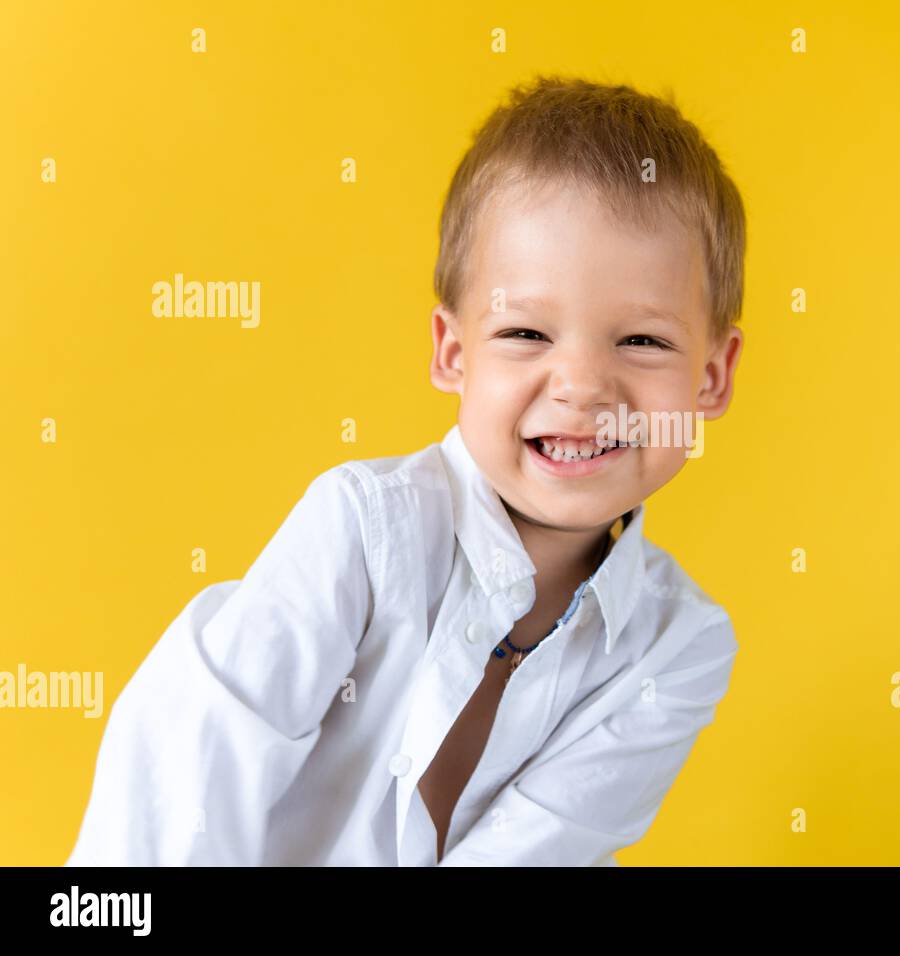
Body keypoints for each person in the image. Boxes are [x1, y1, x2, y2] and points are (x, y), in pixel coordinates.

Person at [65, 73, 746, 866]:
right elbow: (190, 770)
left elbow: (537, 849)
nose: (582, 386)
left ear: (711, 378)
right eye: (526, 332)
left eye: (642, 342)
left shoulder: (679, 646)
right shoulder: (361, 532)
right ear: (453, 353)